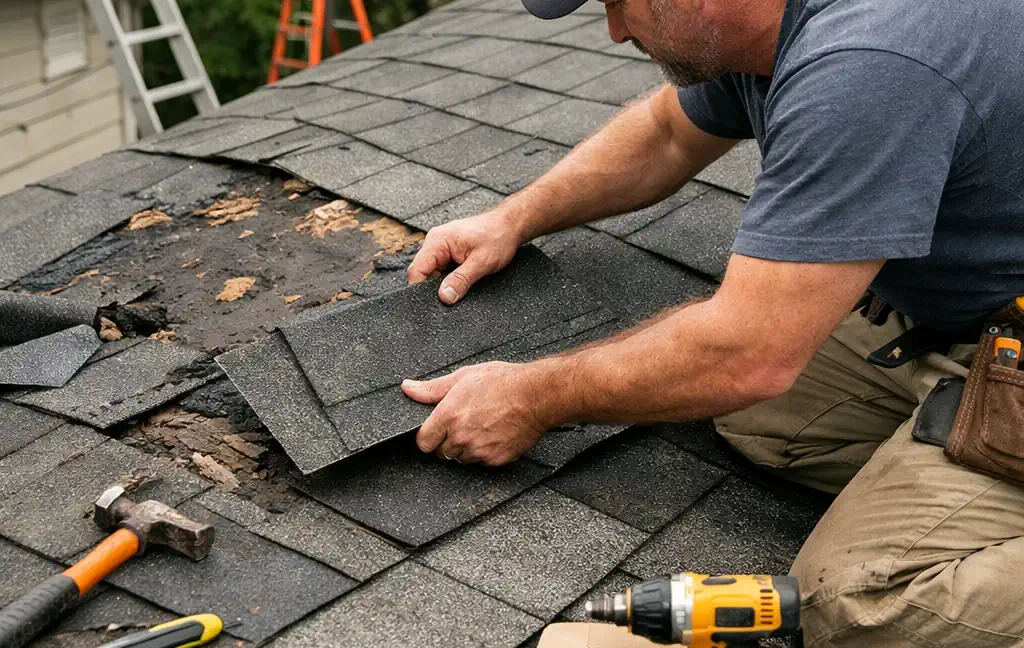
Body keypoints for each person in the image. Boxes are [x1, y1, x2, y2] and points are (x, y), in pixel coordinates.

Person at [399, 0, 1024, 644]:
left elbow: (746, 354)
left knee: (858, 608)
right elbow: (666, 135)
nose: (614, 30)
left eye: (618, 2)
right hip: (973, 323)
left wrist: (530, 397)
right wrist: (513, 218)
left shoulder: (870, 66)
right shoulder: (765, 32)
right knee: (759, 419)